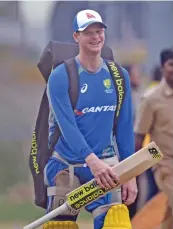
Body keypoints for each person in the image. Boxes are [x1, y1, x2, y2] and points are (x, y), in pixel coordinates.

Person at [44, 9, 137, 229]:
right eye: (88, 33)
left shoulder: (118, 75)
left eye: (99, 31)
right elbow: (68, 127)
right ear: (76, 36)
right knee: (61, 226)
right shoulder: (60, 76)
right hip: (66, 165)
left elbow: (123, 129)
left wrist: (130, 174)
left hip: (106, 165)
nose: (96, 37)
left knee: (116, 223)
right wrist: (92, 161)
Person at [134, 48, 173, 229]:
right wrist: (132, 174)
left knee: (169, 213)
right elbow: (139, 136)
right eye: (171, 64)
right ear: (163, 67)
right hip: (164, 164)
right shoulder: (151, 99)